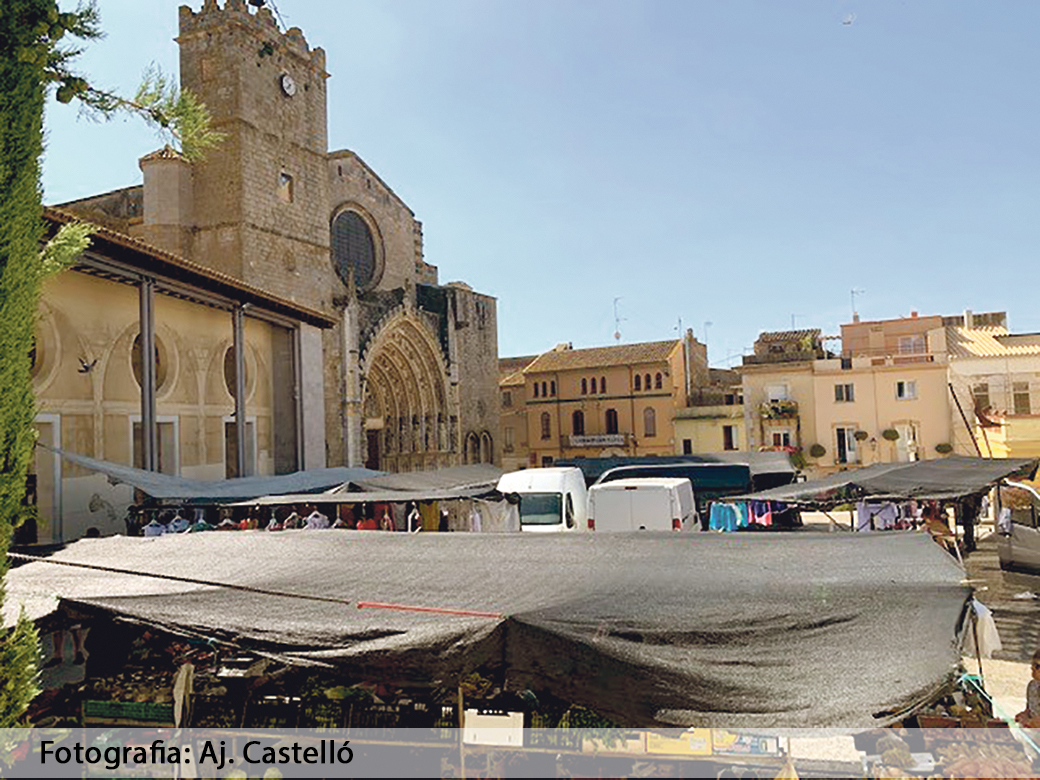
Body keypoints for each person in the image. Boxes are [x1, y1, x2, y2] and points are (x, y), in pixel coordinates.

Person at [1016, 649, 1040, 727]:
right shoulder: (1032, 686)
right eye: (1032, 665)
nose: (1033, 668)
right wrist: (1023, 715)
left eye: (1037, 666)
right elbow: (1030, 710)